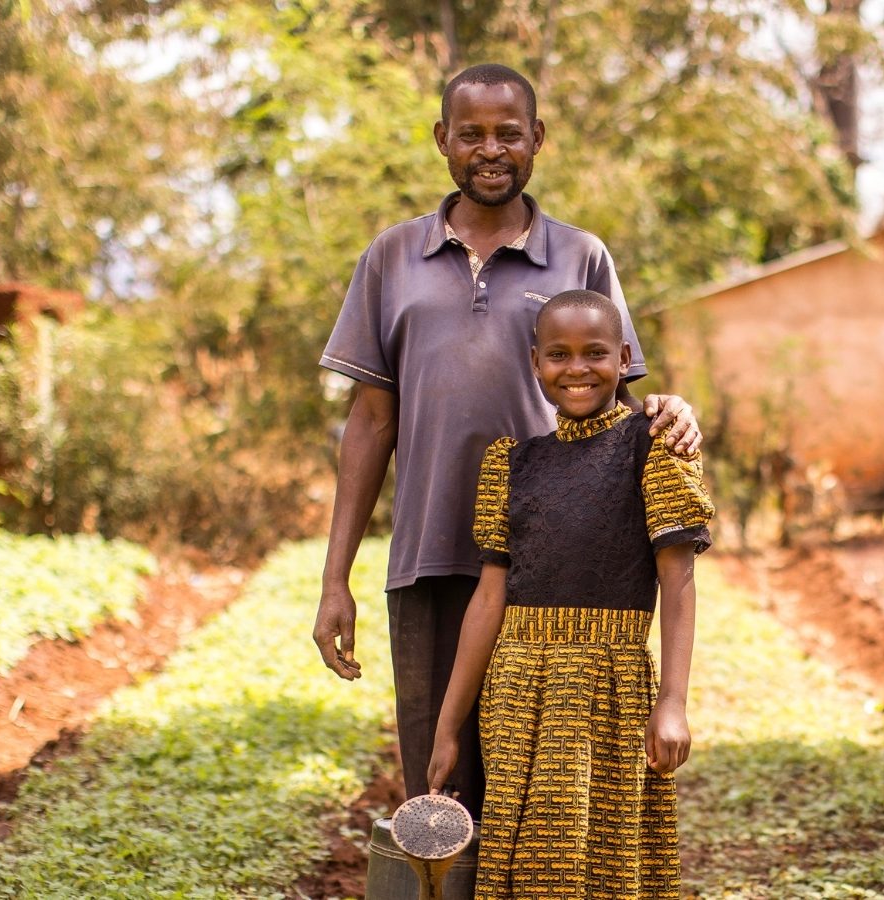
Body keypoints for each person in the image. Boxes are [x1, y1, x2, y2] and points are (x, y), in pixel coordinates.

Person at [313, 63, 702, 818]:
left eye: (508, 134)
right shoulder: (391, 258)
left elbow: (611, 392)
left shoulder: (581, 256)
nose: (490, 150)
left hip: (556, 572)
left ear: (537, 141)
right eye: (472, 135)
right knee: (441, 788)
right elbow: (369, 421)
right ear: (442, 141)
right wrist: (337, 577)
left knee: (541, 791)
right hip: (427, 558)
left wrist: (670, 405)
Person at [427, 289, 713, 898]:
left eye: (595, 353)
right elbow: (488, 599)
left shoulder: (653, 447)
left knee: (601, 855)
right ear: (535, 363)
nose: (576, 368)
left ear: (624, 357)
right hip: (515, 689)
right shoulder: (511, 463)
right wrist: (449, 726)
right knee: (524, 856)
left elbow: (679, 580)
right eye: (558, 354)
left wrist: (673, 703)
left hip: (607, 686)